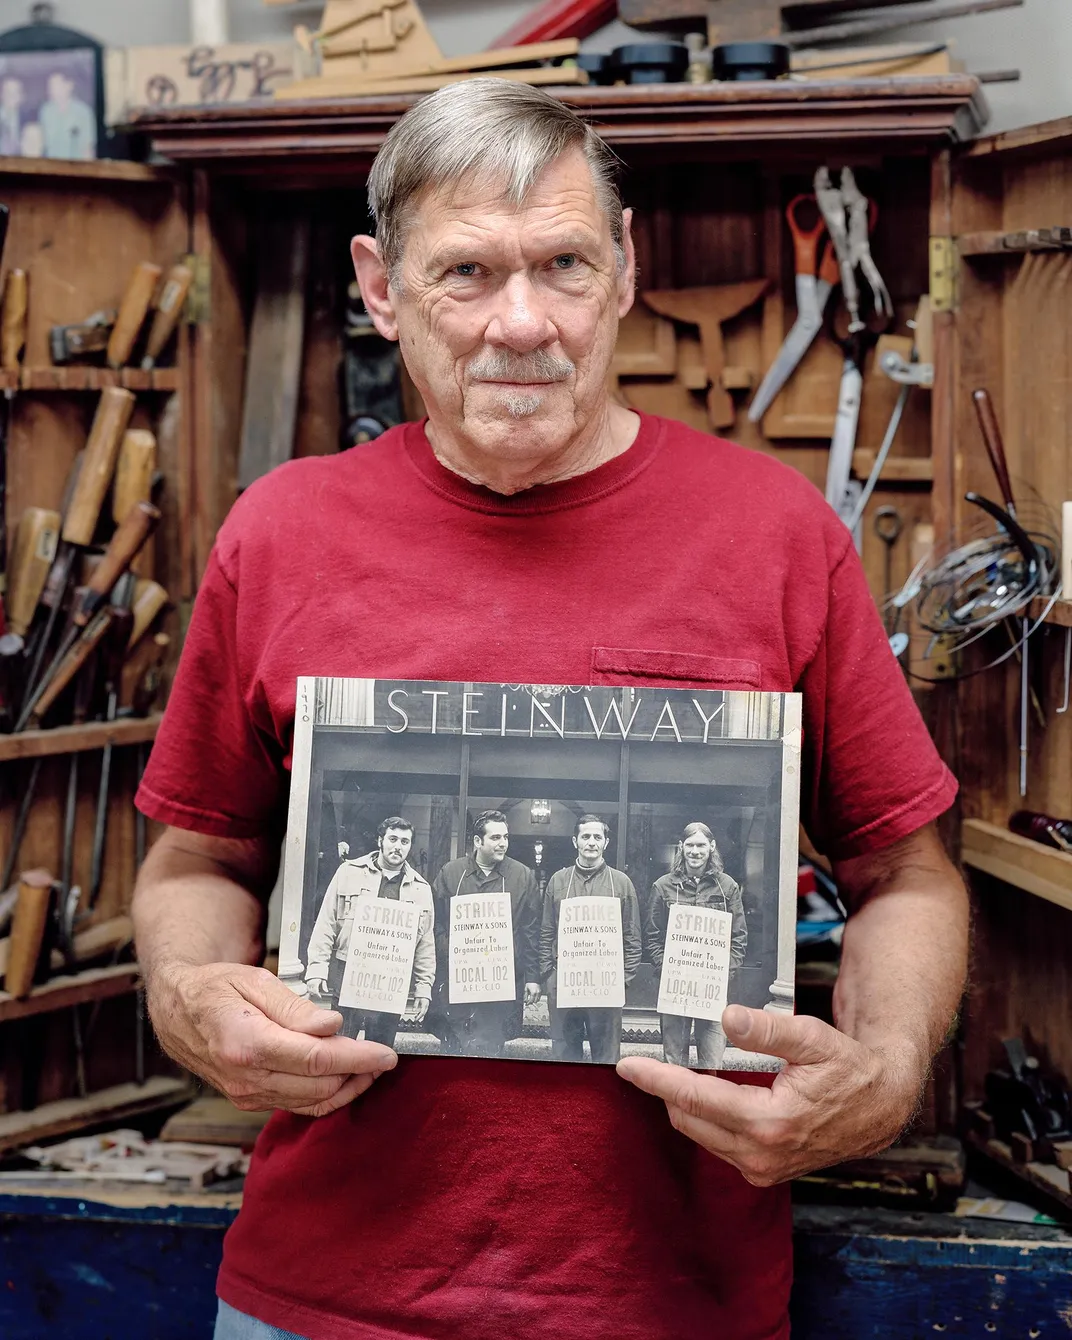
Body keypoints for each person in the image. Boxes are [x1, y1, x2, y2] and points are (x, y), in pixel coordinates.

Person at [131, 78, 968, 1340]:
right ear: (379, 286)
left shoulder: (775, 534)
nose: (521, 323)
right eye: (465, 272)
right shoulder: (282, 533)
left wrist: (886, 1073)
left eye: (563, 263)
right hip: (323, 1298)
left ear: (624, 271)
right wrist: (190, 993)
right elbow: (197, 855)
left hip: (674, 1303)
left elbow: (909, 873)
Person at [304, 816, 434, 1048]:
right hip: (350, 972)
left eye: (405, 841)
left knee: (379, 1052)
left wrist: (424, 987)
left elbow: (425, 942)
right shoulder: (348, 872)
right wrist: (317, 968)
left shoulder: (421, 889)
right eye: (392, 839)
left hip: (392, 978)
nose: (398, 846)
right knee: (340, 1046)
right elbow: (326, 922)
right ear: (380, 840)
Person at [430, 809, 541, 1056]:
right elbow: (434, 922)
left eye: (506, 837)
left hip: (500, 981)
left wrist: (533, 976)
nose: (503, 843)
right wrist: (449, 948)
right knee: (452, 1048)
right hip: (457, 977)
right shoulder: (451, 873)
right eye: (495, 838)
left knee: (491, 1051)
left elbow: (531, 930)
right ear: (478, 841)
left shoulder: (522, 876)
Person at [539, 815, 642, 1064]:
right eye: (586, 837)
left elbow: (632, 937)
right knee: (565, 1058)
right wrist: (549, 976)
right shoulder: (558, 880)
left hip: (605, 989)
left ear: (606, 843)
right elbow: (546, 932)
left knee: (606, 1059)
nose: (592, 842)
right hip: (564, 986)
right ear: (575, 841)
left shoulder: (621, 883)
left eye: (598, 837)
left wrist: (622, 980)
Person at [648, 822, 747, 1070]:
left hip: (712, 990)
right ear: (681, 848)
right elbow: (652, 936)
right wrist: (666, 969)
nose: (695, 851)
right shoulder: (663, 887)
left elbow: (739, 937)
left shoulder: (727, 888)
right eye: (690, 845)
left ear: (712, 847)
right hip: (676, 988)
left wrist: (724, 974)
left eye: (701, 845)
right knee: (674, 1064)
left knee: (711, 1063)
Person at [39, 70, 96, 160]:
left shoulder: (83, 111)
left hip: (75, 167)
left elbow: (87, 148)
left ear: (69, 85)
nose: (51, 90)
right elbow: (42, 145)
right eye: (50, 86)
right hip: (51, 167)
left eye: (56, 85)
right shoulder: (45, 111)